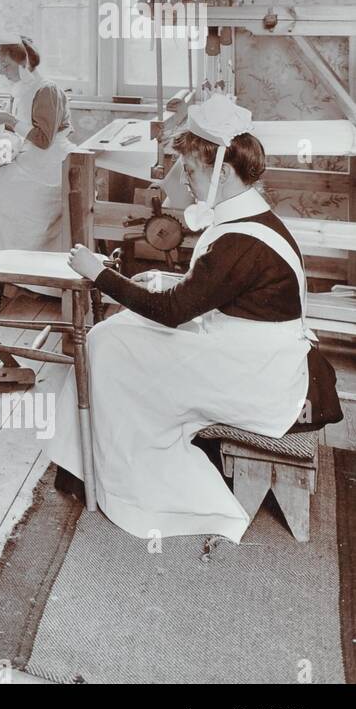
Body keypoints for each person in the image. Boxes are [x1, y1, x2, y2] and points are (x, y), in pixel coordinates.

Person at [55, 94, 311, 542]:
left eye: (190, 170)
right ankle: (94, 462)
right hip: (252, 352)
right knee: (117, 334)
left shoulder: (240, 239)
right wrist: (159, 278)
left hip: (255, 375)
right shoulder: (249, 217)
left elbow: (174, 311)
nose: (185, 180)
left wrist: (101, 275)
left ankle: (115, 477)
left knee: (108, 344)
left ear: (223, 173)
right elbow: (211, 290)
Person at [0, 36, 73, 270]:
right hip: (33, 159)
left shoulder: (47, 90)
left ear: (24, 63)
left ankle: (7, 268)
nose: (2, 72)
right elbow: (20, 126)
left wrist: (10, 121)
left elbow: (44, 140)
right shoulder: (23, 90)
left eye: (6, 65)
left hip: (52, 164)